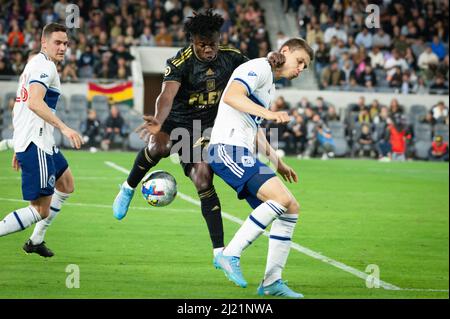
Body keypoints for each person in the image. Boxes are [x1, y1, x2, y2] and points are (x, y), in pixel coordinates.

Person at [112, 9, 283, 259]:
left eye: (213, 44)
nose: (209, 50)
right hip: (177, 124)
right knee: (158, 146)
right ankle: (128, 188)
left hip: (207, 129)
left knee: (203, 178)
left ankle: (219, 252)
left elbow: (258, 68)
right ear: (193, 41)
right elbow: (166, 96)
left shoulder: (231, 57)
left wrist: (270, 57)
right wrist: (158, 121)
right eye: (203, 45)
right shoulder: (179, 62)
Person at [207, 38, 314, 298]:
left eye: (305, 67)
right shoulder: (258, 67)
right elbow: (232, 96)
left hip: (241, 150)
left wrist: (278, 162)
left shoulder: (269, 87)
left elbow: (254, 131)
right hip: (225, 148)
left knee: (290, 207)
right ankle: (229, 254)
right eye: (300, 61)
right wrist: (269, 115)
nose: (300, 69)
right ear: (285, 51)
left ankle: (272, 281)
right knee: (281, 199)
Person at [0, 23, 83, 257]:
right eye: (58, 42)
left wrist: (18, 143)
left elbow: (19, 106)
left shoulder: (34, 64)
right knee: (40, 210)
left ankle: (36, 240)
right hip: (37, 143)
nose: (63, 47)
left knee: (66, 184)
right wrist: (65, 128)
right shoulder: (45, 66)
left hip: (39, 140)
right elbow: (33, 103)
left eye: (66, 43)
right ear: (43, 42)